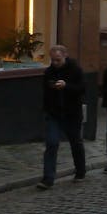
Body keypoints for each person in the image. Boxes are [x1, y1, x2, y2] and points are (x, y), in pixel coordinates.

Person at [37, 44, 86, 189]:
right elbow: (45, 92)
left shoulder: (75, 70)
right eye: (52, 60)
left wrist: (66, 86)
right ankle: (48, 179)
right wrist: (47, 110)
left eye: (58, 60)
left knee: (75, 142)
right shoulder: (49, 72)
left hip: (72, 113)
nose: (55, 63)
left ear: (65, 56)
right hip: (54, 114)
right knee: (51, 143)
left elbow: (82, 89)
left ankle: (80, 171)